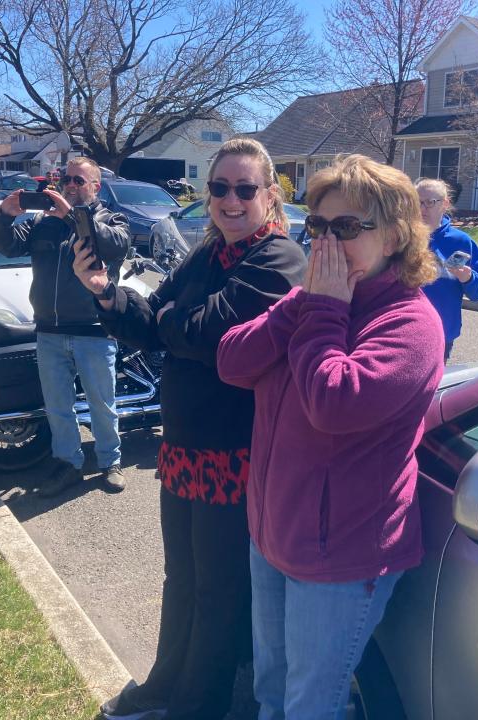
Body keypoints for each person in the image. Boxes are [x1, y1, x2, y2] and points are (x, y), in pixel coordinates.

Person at [71, 138, 306, 720]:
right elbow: (158, 325)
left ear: (269, 196)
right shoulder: (206, 256)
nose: (230, 200)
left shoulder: (279, 261)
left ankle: (198, 705)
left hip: (236, 455)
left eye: (245, 189)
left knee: (219, 593)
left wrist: (172, 319)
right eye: (220, 187)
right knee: (180, 580)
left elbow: (209, 336)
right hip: (182, 451)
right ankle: (164, 686)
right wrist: (107, 292)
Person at [216, 154, 444, 720]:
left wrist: (320, 311)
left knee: (309, 704)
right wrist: (303, 310)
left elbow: (333, 403)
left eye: (347, 227)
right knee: (271, 685)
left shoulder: (410, 324)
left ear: (394, 235)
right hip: (273, 533)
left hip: (343, 555)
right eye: (318, 225)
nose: (326, 241)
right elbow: (231, 362)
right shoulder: (312, 300)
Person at [0, 157, 130, 493]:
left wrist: (70, 215)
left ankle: (110, 461)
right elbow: (6, 246)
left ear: (96, 187)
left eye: (79, 181)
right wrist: (3, 215)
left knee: (101, 403)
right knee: (57, 407)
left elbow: (112, 244)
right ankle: (67, 464)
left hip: (94, 329)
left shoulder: (111, 219)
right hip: (49, 331)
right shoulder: (42, 222)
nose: (70, 184)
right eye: (66, 178)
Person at [415, 178, 478, 360]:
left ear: (445, 204)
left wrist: (468, 278)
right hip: (405, 329)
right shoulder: (402, 239)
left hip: (442, 332)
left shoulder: (461, 241)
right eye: (418, 202)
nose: (423, 209)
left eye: (430, 202)